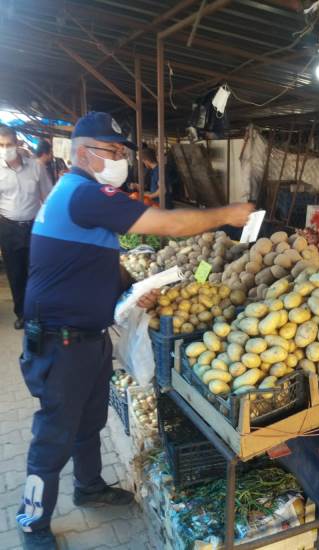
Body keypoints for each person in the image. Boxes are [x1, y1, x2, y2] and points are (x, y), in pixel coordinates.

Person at [18, 111, 253, 550]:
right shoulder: (83, 193)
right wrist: (229, 214)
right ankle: (32, 522)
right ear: (84, 153)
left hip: (85, 338)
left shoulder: (78, 195)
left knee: (90, 421)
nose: (121, 159)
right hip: (59, 342)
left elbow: (89, 260)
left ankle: (89, 486)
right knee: (53, 435)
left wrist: (130, 290)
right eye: (113, 152)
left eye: (122, 152)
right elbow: (168, 224)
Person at [0, 126, 52, 329]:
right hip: (8, 227)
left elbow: (48, 197)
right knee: (16, 273)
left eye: (9, 144)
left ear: (17, 144)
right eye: (1, 145)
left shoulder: (36, 167)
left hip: (33, 227)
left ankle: (39, 311)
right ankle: (22, 313)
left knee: (38, 270)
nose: (5, 149)